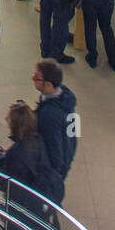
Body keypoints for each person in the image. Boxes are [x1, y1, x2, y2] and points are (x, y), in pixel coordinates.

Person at [0, 102, 63, 230]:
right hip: (44, 201)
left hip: (24, 208)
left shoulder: (15, 153)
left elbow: (4, 183)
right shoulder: (38, 140)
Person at [32, 59, 78, 200]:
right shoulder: (67, 99)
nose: (33, 78)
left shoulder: (49, 115)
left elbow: (55, 150)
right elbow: (74, 134)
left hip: (51, 172)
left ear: (48, 84)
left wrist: (54, 176)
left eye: (36, 77)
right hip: (65, 160)